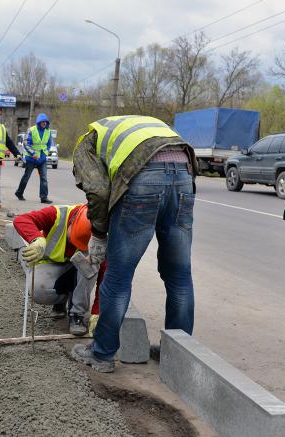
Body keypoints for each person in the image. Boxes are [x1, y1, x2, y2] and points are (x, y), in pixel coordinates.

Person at [70, 115, 198, 373]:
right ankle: (177, 355)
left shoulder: (87, 142)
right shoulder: (134, 125)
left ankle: (102, 353)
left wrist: (98, 232)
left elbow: (97, 189)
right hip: (184, 173)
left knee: (118, 277)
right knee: (179, 275)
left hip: (144, 178)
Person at [14, 203, 98, 335]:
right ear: (72, 222)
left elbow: (105, 275)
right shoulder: (57, 214)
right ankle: (62, 301)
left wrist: (96, 313)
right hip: (55, 266)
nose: (74, 244)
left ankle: (77, 314)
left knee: (93, 263)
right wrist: (36, 238)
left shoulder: (99, 234)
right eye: (74, 237)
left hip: (79, 269)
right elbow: (21, 220)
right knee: (38, 289)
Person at [15, 113, 53, 203]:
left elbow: (49, 144)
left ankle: (43, 197)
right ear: (39, 122)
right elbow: (26, 143)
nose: (44, 124)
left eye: (46, 122)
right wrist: (33, 154)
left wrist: (45, 154)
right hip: (31, 159)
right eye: (42, 122)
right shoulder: (31, 130)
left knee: (44, 178)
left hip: (42, 159)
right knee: (26, 177)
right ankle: (19, 193)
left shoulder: (48, 131)